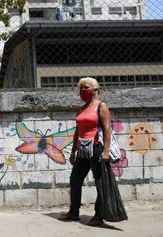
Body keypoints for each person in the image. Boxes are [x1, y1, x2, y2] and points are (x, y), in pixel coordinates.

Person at [59, 77, 111, 226]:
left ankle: (99, 215)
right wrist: (73, 151)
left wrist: (106, 151)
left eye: (85, 88)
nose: (82, 91)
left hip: (96, 148)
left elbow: (107, 130)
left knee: (100, 182)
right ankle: (74, 212)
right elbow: (78, 130)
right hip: (82, 149)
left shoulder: (101, 106)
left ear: (95, 90)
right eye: (80, 88)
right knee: (75, 180)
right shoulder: (81, 108)